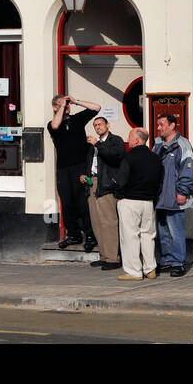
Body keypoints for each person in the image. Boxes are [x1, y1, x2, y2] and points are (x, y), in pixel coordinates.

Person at [47, 93, 102, 249]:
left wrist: (76, 101)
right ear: (55, 107)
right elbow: (56, 125)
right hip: (63, 169)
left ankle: (90, 235)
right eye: (63, 105)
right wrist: (63, 105)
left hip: (80, 166)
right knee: (67, 201)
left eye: (68, 105)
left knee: (82, 202)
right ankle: (73, 235)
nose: (67, 107)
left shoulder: (77, 119)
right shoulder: (52, 125)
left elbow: (97, 108)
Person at [113, 126, 164, 280]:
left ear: (136, 139)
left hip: (130, 200)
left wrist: (118, 193)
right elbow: (160, 182)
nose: (128, 141)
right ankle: (150, 269)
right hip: (148, 201)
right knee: (148, 235)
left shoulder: (128, 158)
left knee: (130, 236)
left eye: (130, 137)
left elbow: (121, 181)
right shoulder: (156, 158)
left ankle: (134, 271)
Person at [153, 112, 193, 277]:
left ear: (172, 126)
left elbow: (188, 169)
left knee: (175, 230)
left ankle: (178, 263)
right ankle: (166, 261)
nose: (158, 128)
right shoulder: (157, 144)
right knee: (163, 230)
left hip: (174, 196)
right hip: (160, 197)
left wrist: (182, 191)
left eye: (161, 124)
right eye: (158, 125)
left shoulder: (182, 144)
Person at [83, 115, 125, 270]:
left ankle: (113, 258)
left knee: (109, 222)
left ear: (108, 125)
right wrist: (84, 174)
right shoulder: (92, 145)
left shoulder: (115, 141)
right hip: (92, 183)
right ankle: (104, 255)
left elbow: (114, 159)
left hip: (106, 184)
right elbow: (89, 162)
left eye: (100, 124)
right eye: (95, 125)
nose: (97, 127)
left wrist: (98, 145)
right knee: (97, 222)